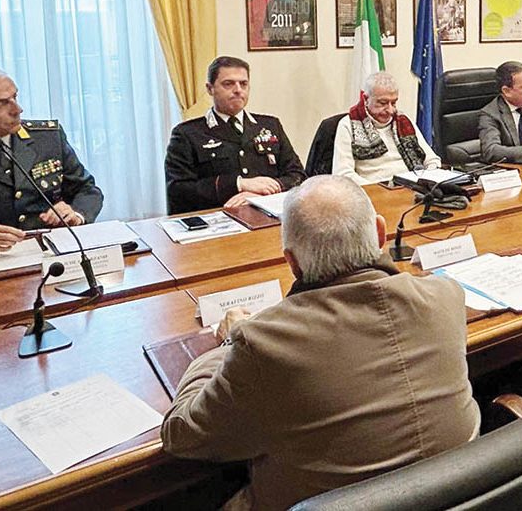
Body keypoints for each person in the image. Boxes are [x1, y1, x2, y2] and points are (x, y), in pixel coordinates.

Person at [161, 175, 480, 511]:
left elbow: (181, 435)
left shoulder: (263, 344)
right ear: (381, 233)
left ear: (292, 262)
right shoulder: (446, 296)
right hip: (461, 495)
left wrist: (229, 340)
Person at [0, 66, 102, 258]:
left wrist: (75, 214)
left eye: (15, 98)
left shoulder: (47, 137)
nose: (17, 110)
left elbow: (87, 190)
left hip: (53, 256)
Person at [165, 56, 305, 215]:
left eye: (243, 84)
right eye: (228, 84)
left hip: (268, 216)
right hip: (218, 221)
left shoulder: (270, 125)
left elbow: (297, 175)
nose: (238, 89)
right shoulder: (187, 134)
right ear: (210, 88)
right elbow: (179, 190)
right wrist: (239, 184)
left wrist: (259, 196)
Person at [332, 71, 442, 184]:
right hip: (374, 191)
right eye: (382, 103)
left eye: (393, 103)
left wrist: (429, 177)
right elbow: (343, 175)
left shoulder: (403, 121)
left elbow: (432, 160)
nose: (390, 110)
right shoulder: (348, 125)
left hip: (411, 186)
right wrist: (380, 188)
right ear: (366, 99)